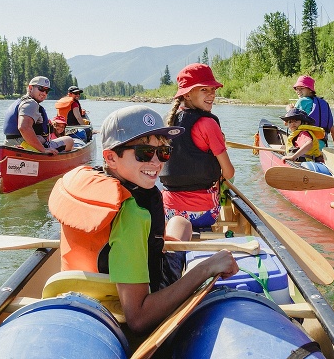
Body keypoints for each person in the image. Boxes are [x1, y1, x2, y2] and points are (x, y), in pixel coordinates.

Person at [48, 105, 239, 333]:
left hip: (83, 296)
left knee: (180, 223)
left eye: (164, 151)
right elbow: (138, 319)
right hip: (123, 309)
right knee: (182, 225)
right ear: (111, 157)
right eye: (144, 152)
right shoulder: (132, 213)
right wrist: (206, 268)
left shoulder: (93, 184)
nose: (157, 163)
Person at [159, 63, 235, 229]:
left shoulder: (166, 121)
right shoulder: (208, 124)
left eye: (213, 89)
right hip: (203, 214)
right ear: (187, 94)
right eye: (204, 89)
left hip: (168, 210)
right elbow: (229, 172)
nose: (211, 94)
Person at [2, 76, 73, 154]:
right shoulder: (31, 103)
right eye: (41, 89)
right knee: (69, 140)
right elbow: (24, 127)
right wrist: (43, 150)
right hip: (25, 146)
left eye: (47, 91)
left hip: (9, 143)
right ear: (30, 88)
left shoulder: (19, 102)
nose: (44, 93)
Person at [288, 75, 334, 151]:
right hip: (321, 149)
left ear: (310, 90)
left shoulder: (302, 101)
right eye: (296, 88)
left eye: (301, 88)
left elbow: (287, 123)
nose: (298, 91)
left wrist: (290, 110)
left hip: (305, 147)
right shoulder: (323, 104)